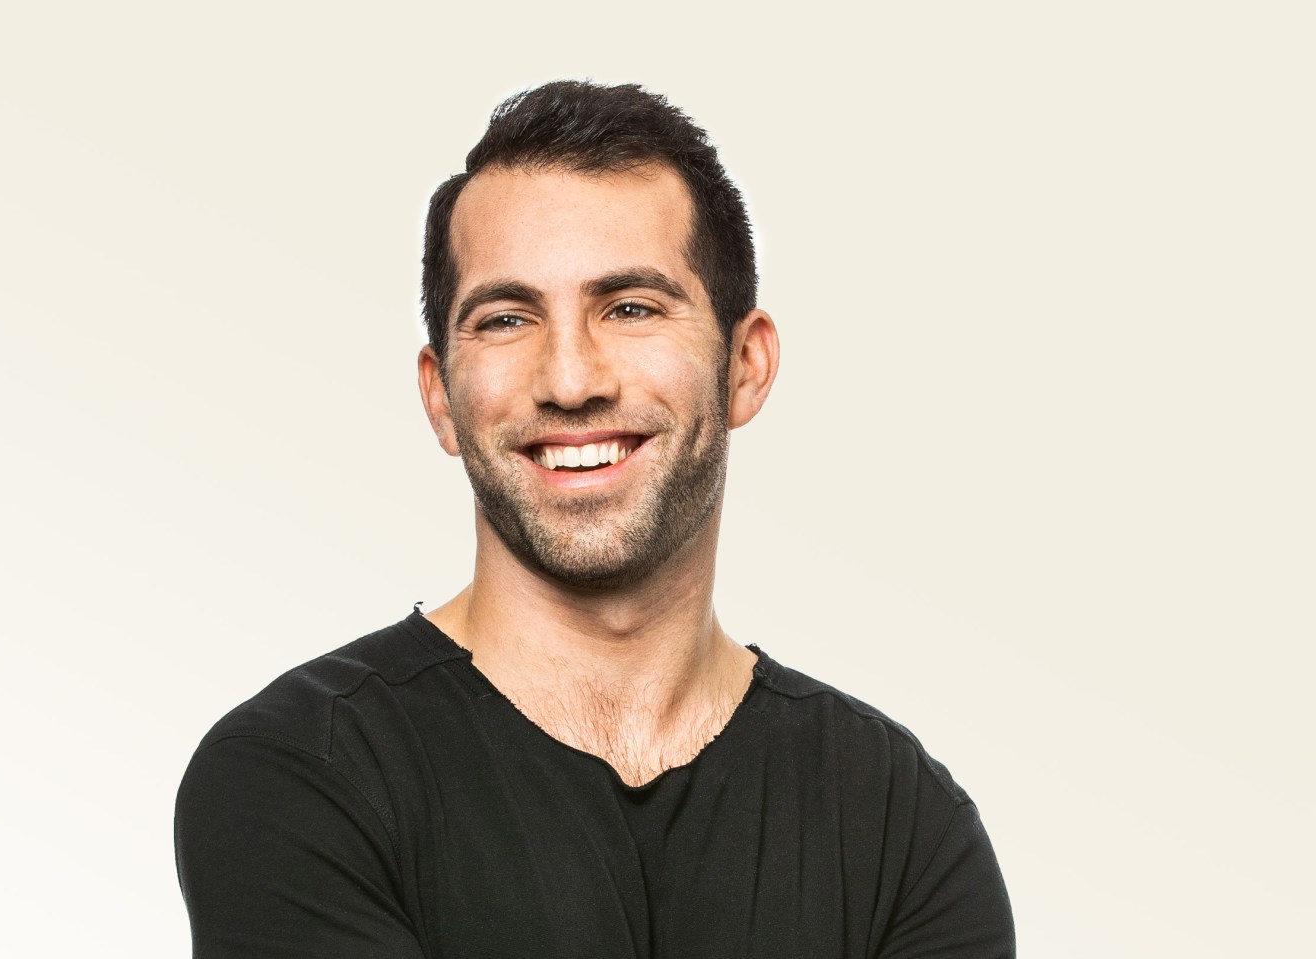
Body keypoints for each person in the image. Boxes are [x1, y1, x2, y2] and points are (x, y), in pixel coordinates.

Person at [174, 80, 1015, 958]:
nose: (571, 379)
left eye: (631, 308)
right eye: (507, 318)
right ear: (441, 398)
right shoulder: (305, 771)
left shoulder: (900, 822)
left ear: (746, 364)